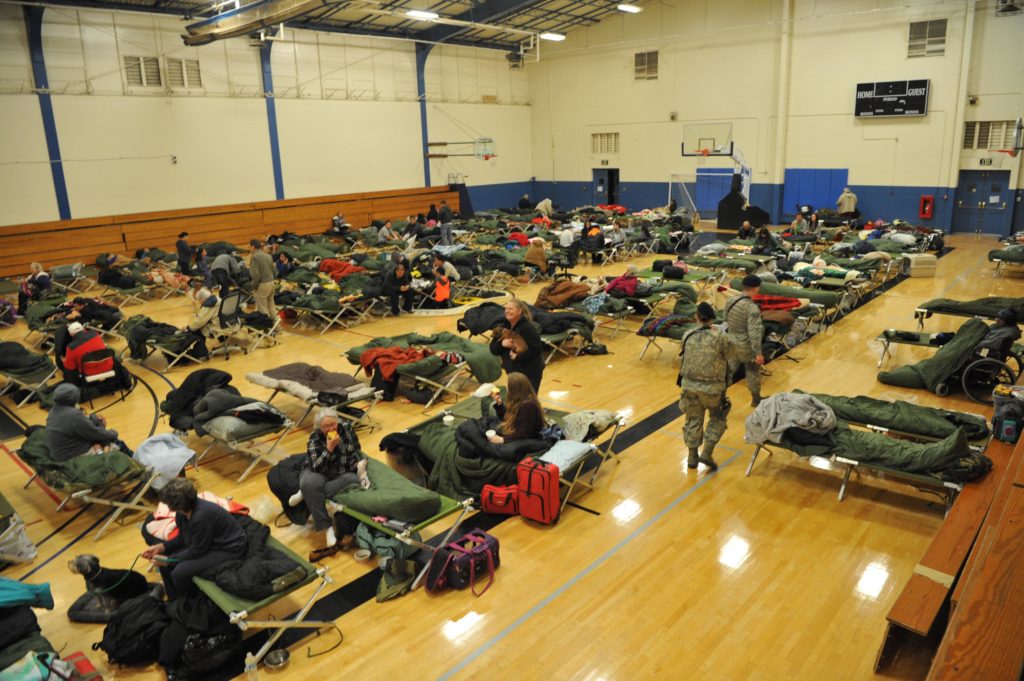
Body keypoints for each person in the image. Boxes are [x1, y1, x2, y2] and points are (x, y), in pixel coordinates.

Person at [141, 479, 247, 600]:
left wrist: (169, 560)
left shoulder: (201, 517)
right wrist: (162, 547)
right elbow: (183, 537)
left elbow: (198, 550)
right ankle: (175, 599)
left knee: (180, 572)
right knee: (166, 558)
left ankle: (190, 601)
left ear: (177, 505)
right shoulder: (183, 512)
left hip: (230, 548)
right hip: (210, 543)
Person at [288, 409, 369, 547]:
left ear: (338, 422)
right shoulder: (314, 438)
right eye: (326, 426)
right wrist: (329, 449)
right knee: (309, 481)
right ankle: (327, 527)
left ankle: (306, 491)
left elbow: (356, 449)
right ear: (320, 427)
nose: (331, 428)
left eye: (333, 424)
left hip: (341, 470)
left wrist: (354, 461)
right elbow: (316, 467)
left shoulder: (347, 428)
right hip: (319, 469)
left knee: (353, 481)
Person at [677, 302, 736, 471]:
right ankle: (707, 453)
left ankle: (692, 456)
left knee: (692, 420)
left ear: (696, 317)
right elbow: (731, 359)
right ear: (712, 319)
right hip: (713, 389)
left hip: (689, 387)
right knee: (718, 418)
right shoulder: (721, 337)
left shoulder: (687, 335)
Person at [45, 383, 122, 461]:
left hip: (59, 454)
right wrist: (113, 433)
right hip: (72, 456)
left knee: (99, 431)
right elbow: (95, 433)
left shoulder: (53, 411)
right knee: (117, 443)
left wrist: (93, 419)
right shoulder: (74, 415)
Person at [725, 274, 766, 406]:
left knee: (727, 372)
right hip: (745, 346)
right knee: (752, 372)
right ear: (756, 288)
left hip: (730, 342)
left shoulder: (731, 301)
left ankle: (719, 399)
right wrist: (758, 353)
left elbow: (725, 318)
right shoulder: (752, 308)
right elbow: (754, 332)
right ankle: (756, 399)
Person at [489, 299, 545, 391]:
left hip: (530, 373)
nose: (507, 311)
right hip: (512, 372)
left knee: (528, 401)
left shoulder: (527, 328)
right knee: (515, 401)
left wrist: (517, 357)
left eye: (510, 309)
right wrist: (502, 344)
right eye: (506, 309)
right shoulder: (502, 326)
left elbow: (536, 350)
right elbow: (493, 349)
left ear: (519, 311)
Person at [485, 372, 545, 444]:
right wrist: (499, 404)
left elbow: (523, 434)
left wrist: (502, 439)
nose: (506, 388)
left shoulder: (528, 406)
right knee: (487, 423)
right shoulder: (518, 400)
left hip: (528, 440)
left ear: (514, 389)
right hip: (516, 433)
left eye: (508, 386)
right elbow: (507, 418)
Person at [248, 240, 277, 318]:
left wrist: (254, 286)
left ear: (253, 247)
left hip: (262, 285)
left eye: (249, 246)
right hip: (271, 283)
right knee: (272, 307)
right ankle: (276, 327)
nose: (249, 248)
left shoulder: (255, 257)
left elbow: (256, 275)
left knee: (263, 310)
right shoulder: (268, 255)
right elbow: (275, 271)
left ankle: (268, 328)